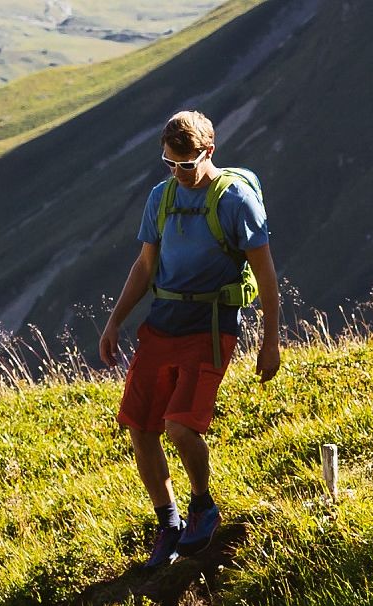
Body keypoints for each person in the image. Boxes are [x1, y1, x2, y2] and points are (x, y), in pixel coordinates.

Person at [99, 110, 282, 570]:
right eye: (169, 163)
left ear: (209, 152)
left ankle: (203, 505)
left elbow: (265, 274)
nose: (178, 173)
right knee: (141, 428)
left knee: (181, 426)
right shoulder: (161, 198)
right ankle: (169, 522)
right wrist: (115, 321)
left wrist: (271, 339)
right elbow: (144, 266)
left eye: (186, 164)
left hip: (211, 325)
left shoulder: (236, 200)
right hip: (163, 322)